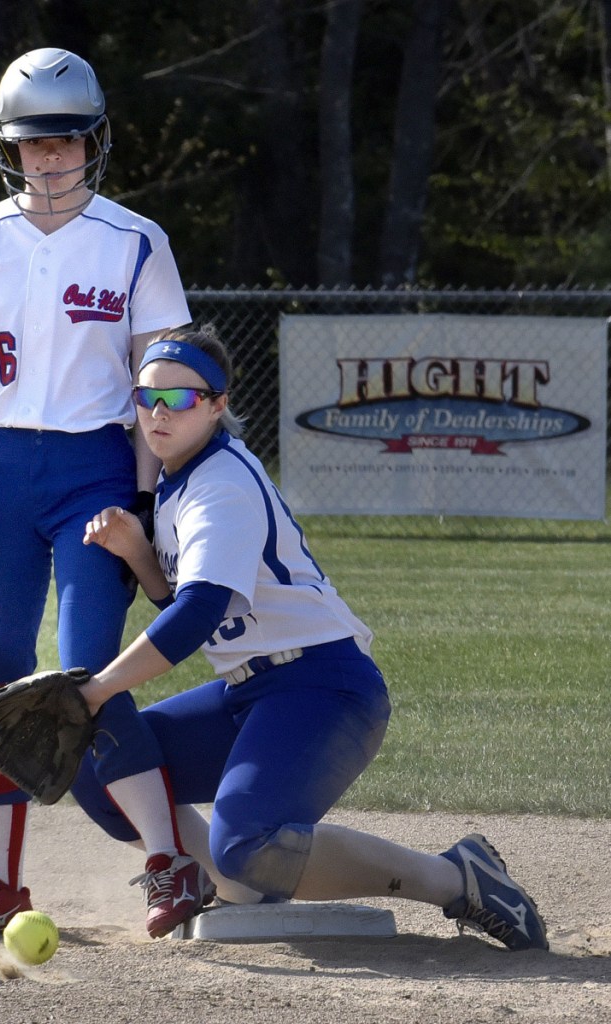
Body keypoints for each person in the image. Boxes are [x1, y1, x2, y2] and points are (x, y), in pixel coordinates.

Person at [75, 324, 548, 952]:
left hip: (324, 688)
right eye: (146, 398)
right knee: (95, 764)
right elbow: (202, 608)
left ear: (217, 405)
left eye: (181, 399)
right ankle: (225, 881)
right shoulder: (176, 479)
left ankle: (454, 876)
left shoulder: (220, 483)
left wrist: (100, 687)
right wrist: (139, 554)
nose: (159, 414)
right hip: (252, 690)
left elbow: (196, 616)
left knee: (245, 842)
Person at [0, 47, 211, 943]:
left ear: (94, 141)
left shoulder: (133, 239)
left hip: (93, 468)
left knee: (89, 667)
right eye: (31, 143)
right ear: (7, 147)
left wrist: (145, 497)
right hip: (0, 466)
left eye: (65, 141)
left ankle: (169, 862)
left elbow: (155, 383)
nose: (48, 159)